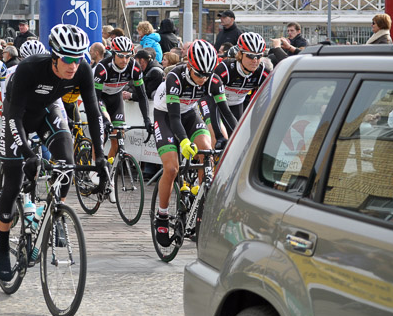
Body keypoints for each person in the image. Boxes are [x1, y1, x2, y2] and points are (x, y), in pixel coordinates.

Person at [0, 24, 108, 281]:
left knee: (66, 163)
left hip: (47, 111)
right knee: (12, 182)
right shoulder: (29, 69)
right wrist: (27, 153)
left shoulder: (82, 70)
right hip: (18, 117)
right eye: (67, 59)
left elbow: (93, 112)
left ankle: (57, 213)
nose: (73, 66)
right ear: (54, 56)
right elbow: (14, 116)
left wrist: (99, 156)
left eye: (78, 59)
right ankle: (1, 245)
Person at [151, 40, 238, 247]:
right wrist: (183, 142)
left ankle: (200, 200)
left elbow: (227, 113)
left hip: (189, 113)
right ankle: (162, 216)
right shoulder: (175, 78)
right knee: (172, 168)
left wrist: (238, 138)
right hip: (165, 116)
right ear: (189, 66)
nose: (203, 79)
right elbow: (173, 119)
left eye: (207, 75)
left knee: (207, 152)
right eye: (199, 74)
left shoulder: (212, 80)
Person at [94, 36, 154, 169]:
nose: (124, 60)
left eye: (128, 56)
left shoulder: (134, 67)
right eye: (121, 56)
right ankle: (94, 169)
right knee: (102, 133)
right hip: (100, 99)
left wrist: (147, 120)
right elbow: (95, 98)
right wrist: (103, 120)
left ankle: (107, 169)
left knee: (118, 138)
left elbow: (142, 95)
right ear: (114, 54)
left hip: (116, 98)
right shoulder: (103, 68)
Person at [213, 32, 270, 120]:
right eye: (250, 56)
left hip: (237, 104)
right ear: (240, 54)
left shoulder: (262, 72)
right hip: (216, 104)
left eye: (258, 56)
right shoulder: (226, 69)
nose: (255, 60)